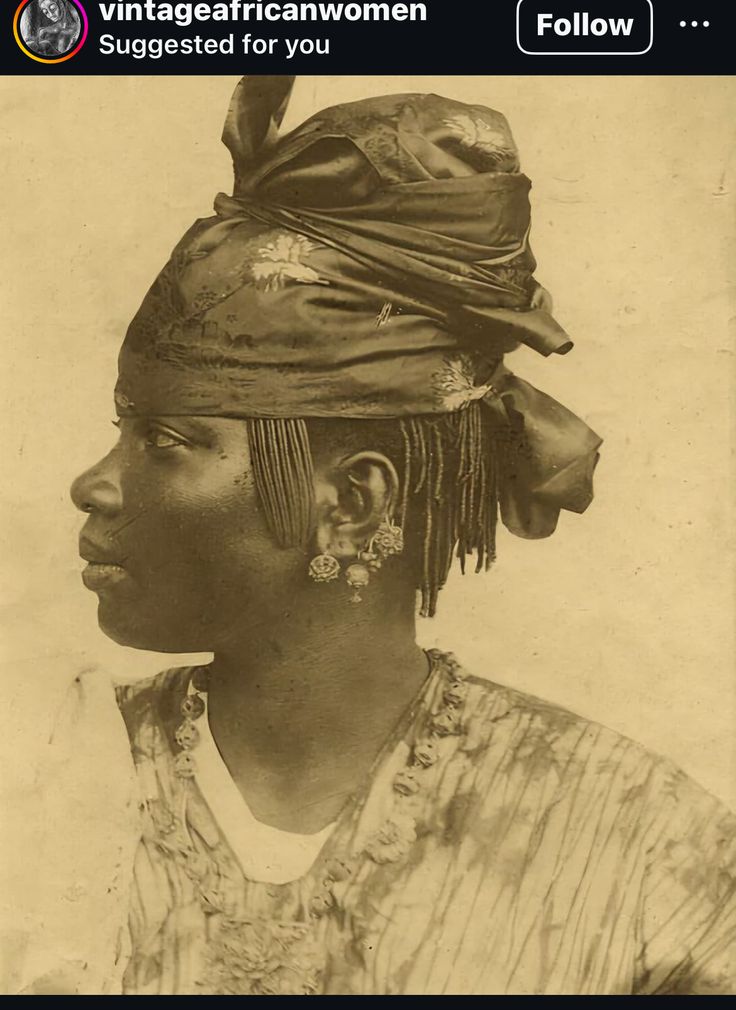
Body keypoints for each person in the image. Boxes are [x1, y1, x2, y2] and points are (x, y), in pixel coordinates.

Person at [40, 76, 734, 995]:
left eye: (165, 441)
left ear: (356, 502)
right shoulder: (42, 778)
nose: (92, 484)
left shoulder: (641, 847)